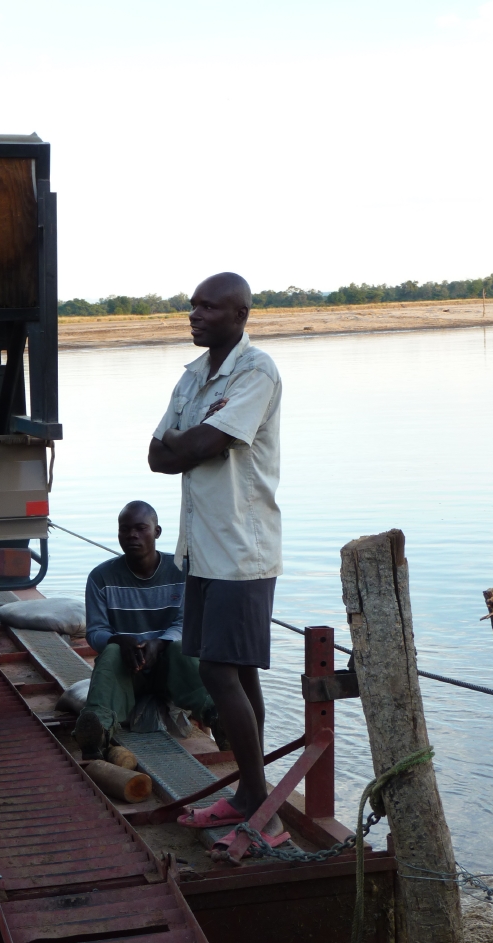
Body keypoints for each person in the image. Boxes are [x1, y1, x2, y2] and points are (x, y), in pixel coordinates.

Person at [148, 272, 288, 854]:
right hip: (201, 549)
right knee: (237, 672)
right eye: (193, 306)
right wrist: (194, 442)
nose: (195, 315)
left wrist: (192, 443)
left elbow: (202, 446)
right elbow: (157, 456)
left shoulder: (257, 372)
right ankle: (252, 796)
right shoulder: (192, 377)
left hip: (240, 550)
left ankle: (261, 810)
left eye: (209, 307)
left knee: (218, 673)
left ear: (240, 314)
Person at [73, 499, 216, 758]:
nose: (132, 535)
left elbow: (188, 624)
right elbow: (94, 632)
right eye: (125, 529)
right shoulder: (101, 577)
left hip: (171, 672)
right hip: (128, 671)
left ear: (157, 532)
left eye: (141, 528)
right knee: (111, 652)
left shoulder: (183, 571)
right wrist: (120, 640)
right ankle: (96, 732)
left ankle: (217, 717)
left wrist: (160, 644)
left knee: (181, 648)